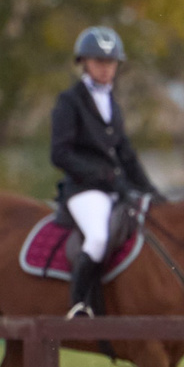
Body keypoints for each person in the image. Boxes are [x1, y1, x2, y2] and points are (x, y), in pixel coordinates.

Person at [49, 25, 158, 320]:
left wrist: (151, 191)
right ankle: (78, 304)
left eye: (110, 63)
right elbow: (59, 154)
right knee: (97, 237)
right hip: (83, 190)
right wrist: (101, 175)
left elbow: (127, 156)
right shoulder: (69, 101)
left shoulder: (113, 104)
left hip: (113, 190)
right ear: (84, 62)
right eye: (99, 62)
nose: (105, 69)